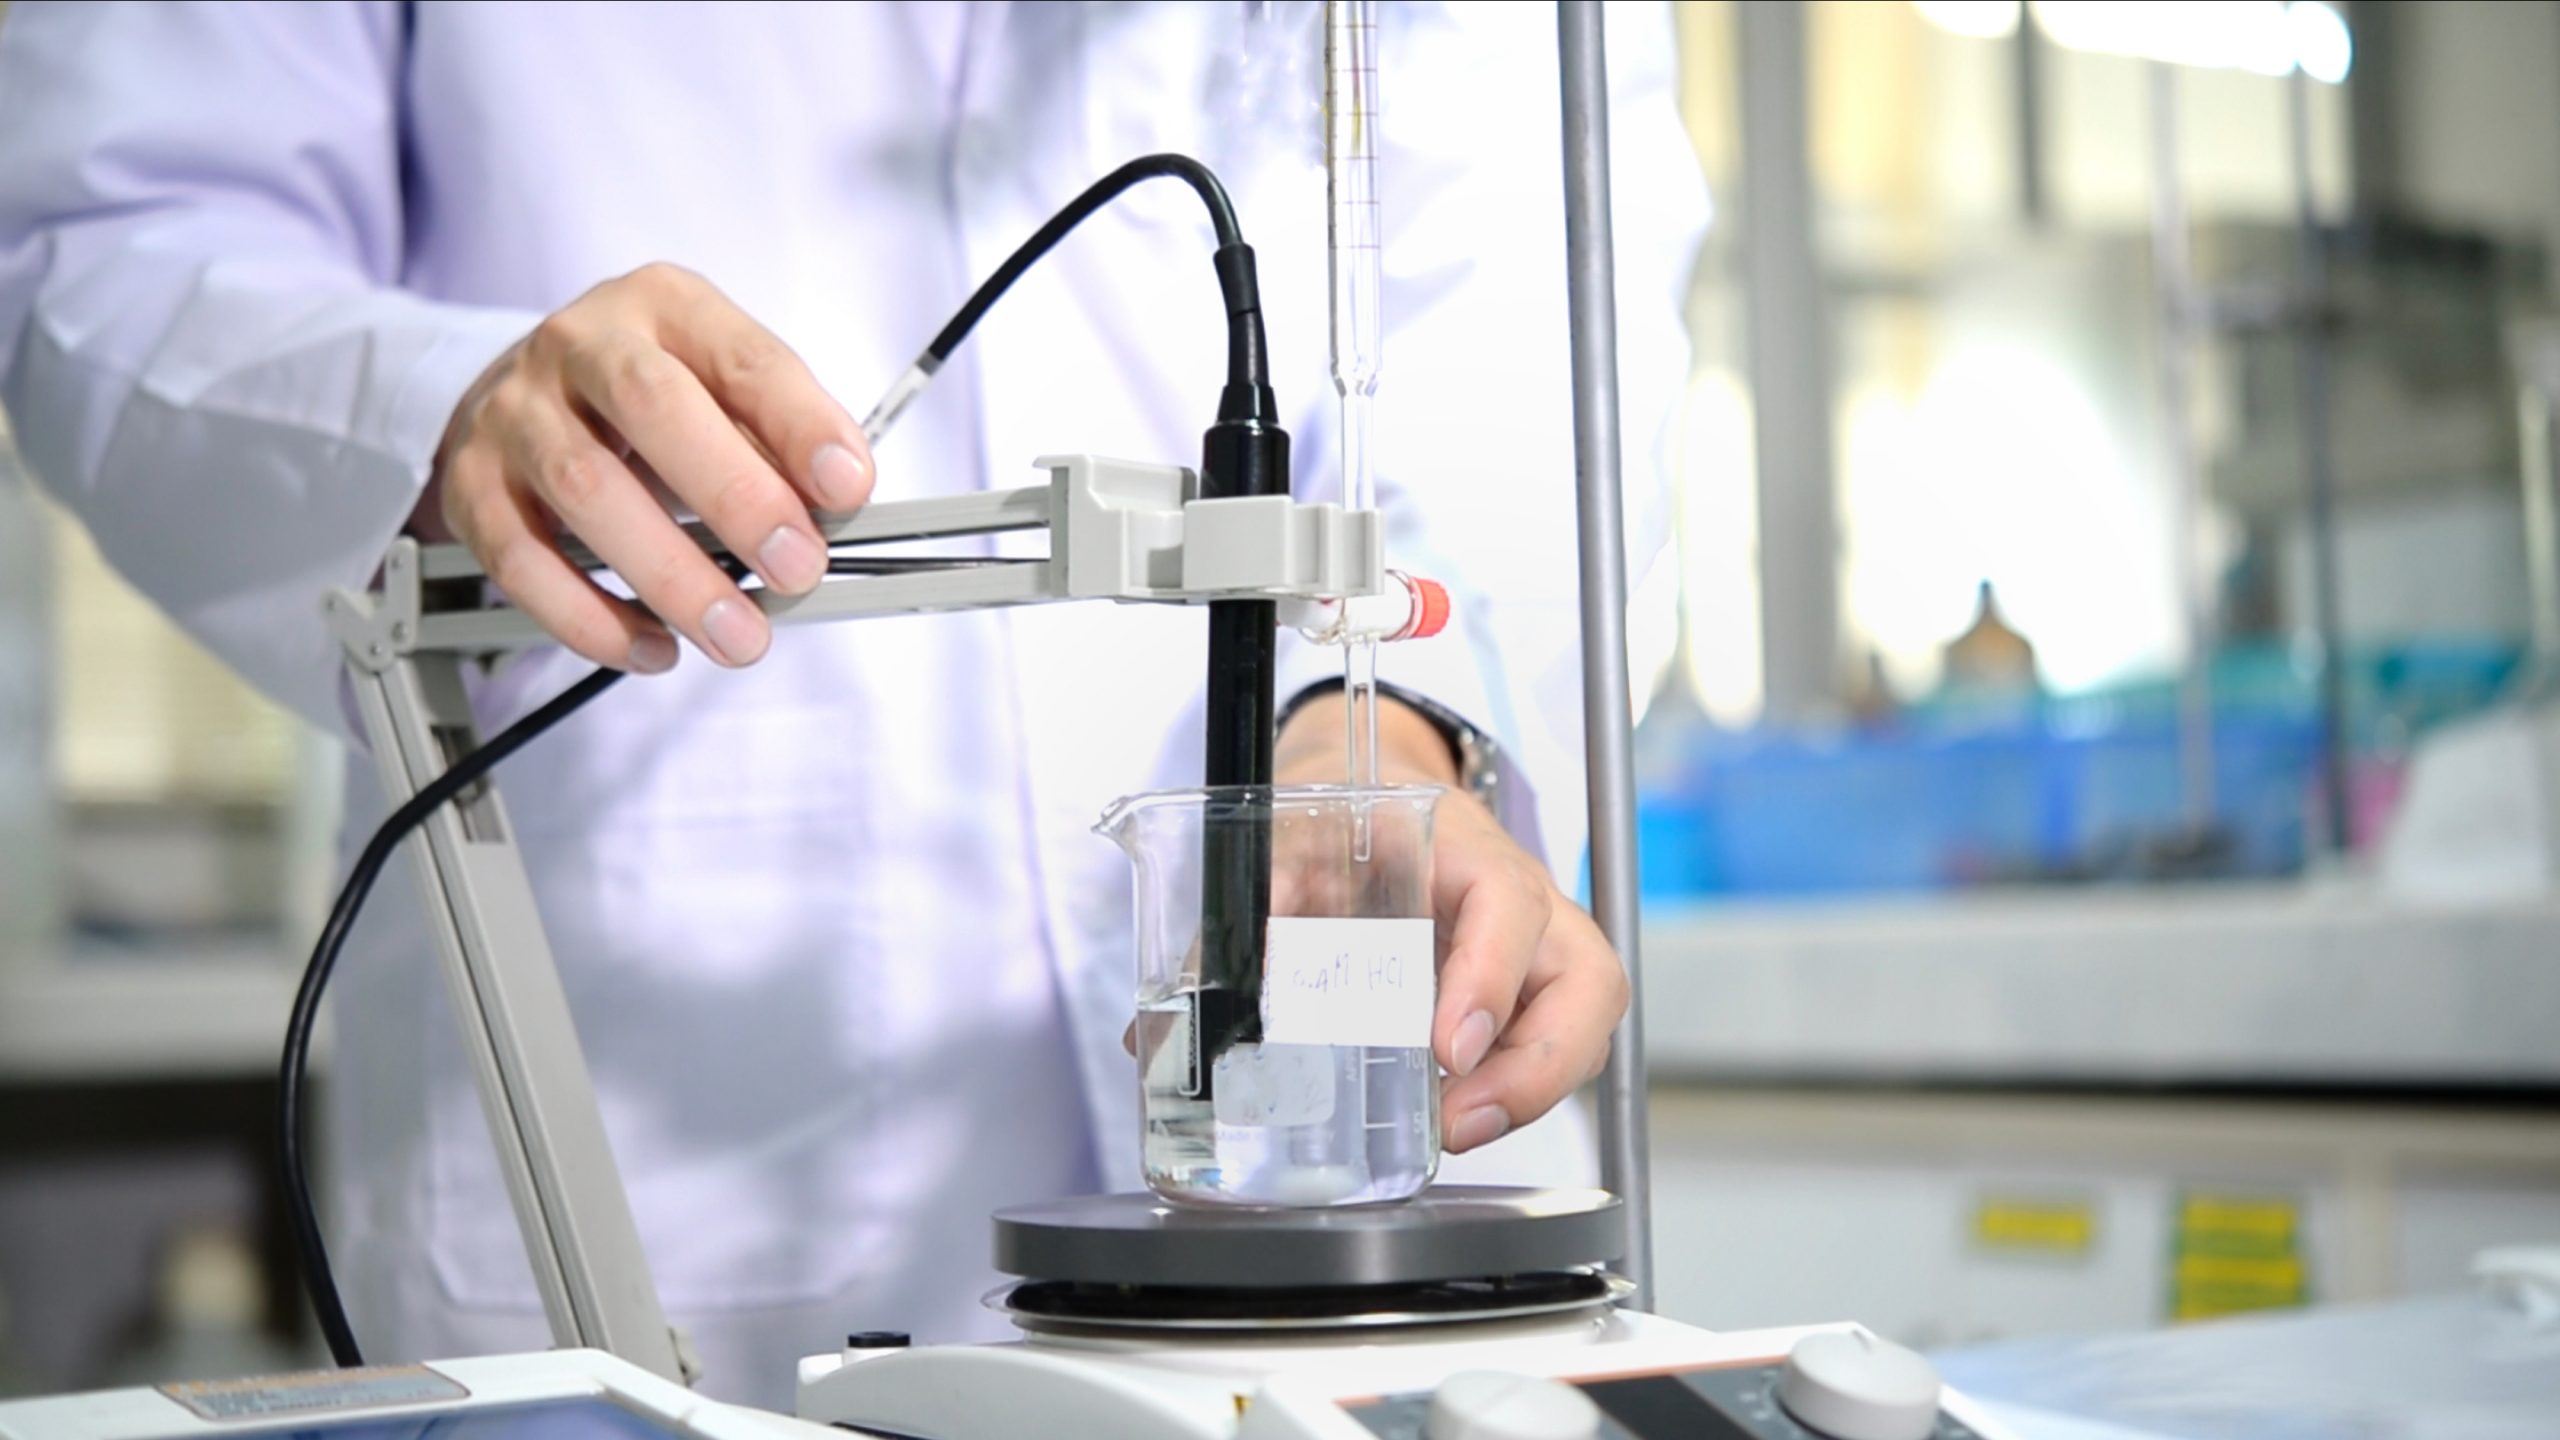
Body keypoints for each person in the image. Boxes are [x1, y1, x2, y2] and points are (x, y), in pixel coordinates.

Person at [0, 0, 1707, 1409]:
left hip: (1337, 1272)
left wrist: (1387, 718)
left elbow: (1551, 280)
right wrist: (447, 412)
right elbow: (107, 242)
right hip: (663, 1145)